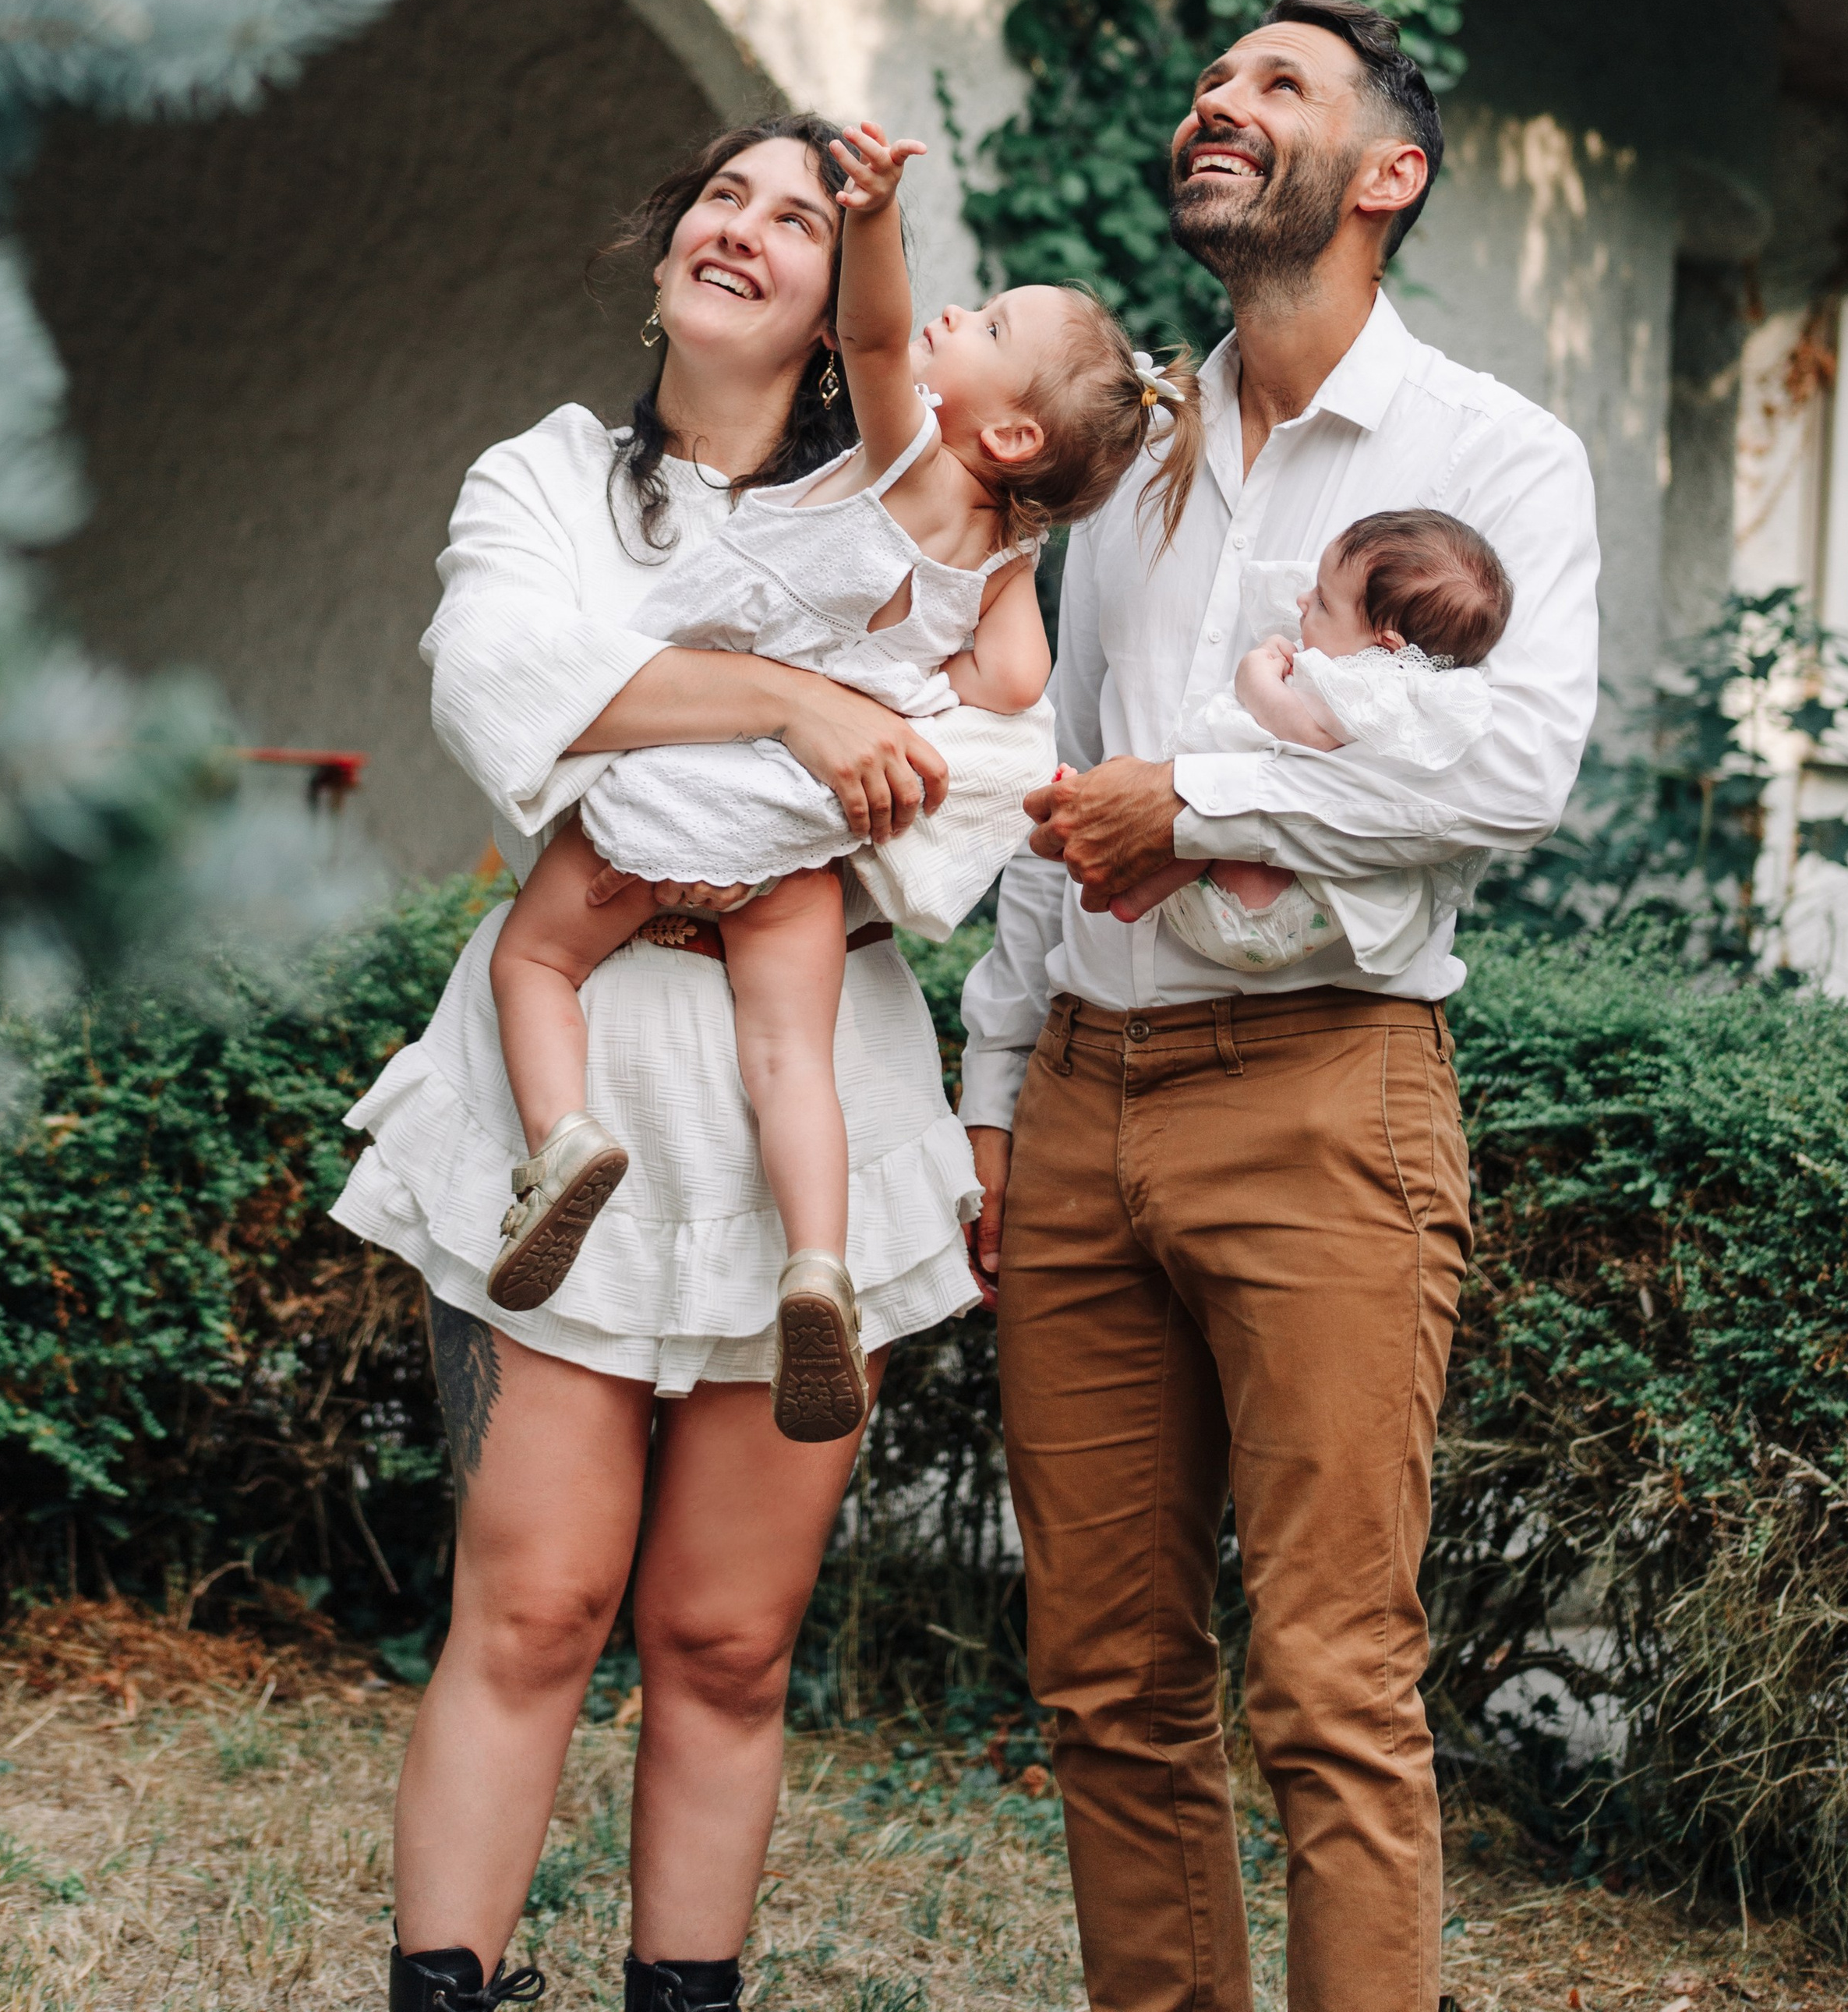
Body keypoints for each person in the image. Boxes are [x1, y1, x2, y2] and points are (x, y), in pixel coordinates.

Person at [332, 115, 1054, 2012]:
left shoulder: (915, 517)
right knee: (535, 1602)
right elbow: (505, 681)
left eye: (796, 215)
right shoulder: (547, 478)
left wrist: (721, 747)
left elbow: (967, 800)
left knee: (728, 1636)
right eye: (720, 193)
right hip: (558, 1074)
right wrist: (803, 710)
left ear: (840, 305)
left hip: (809, 1086)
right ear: (667, 246)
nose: (740, 224)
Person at [959, 0, 1600, 2012]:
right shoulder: (1128, 467)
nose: (1218, 105)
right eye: (1212, 83)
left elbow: (1514, 772)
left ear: (1386, 172)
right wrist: (992, 1094)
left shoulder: (1495, 454)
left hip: (1326, 1100)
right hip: (1080, 1099)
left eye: (1277, 86)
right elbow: (1052, 786)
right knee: (1105, 1682)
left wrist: (1213, 797)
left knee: (1330, 1683)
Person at [482, 122, 1198, 1446]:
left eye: (979, 323)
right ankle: (819, 1260)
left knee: (532, 962)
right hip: (801, 845)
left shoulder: (899, 463)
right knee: (790, 1058)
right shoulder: (1004, 577)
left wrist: (876, 216)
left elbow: (873, 339)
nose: (942, 316)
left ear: (1005, 423)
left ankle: (563, 1138)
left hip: (680, 798)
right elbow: (998, 714)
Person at [1114, 506, 1514, 981]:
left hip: (1267, 905)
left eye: (1324, 602)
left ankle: (1133, 894)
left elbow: (1305, 734)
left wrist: (1254, 676)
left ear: (1385, 647)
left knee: (1215, 810)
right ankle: (1127, 875)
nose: (1303, 601)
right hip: (1267, 903)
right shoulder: (1417, 693)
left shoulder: (1373, 688)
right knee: (1191, 799)